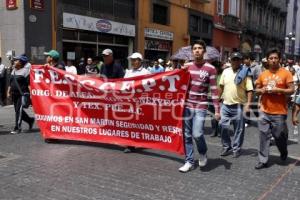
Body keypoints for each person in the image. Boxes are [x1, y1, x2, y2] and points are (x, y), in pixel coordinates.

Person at [178, 40, 220, 172]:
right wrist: (181, 72)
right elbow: (179, 85)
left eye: (200, 48)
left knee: (197, 133)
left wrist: (217, 110)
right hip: (187, 105)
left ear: (204, 51)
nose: (197, 50)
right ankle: (189, 161)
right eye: (195, 48)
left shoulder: (211, 69)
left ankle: (203, 152)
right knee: (187, 134)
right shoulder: (187, 66)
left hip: (201, 106)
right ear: (192, 51)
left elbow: (213, 90)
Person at [255, 48, 294, 169]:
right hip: (264, 111)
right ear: (267, 60)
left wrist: (279, 90)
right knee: (263, 136)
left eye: (275, 58)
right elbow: (256, 89)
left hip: (279, 112)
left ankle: (283, 151)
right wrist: (261, 91)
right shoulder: (263, 74)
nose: (273, 60)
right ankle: (263, 160)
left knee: (278, 136)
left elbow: (292, 89)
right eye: (271, 58)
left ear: (279, 59)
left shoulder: (286, 73)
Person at [218, 52, 253, 158]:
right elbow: (221, 86)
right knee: (222, 126)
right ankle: (226, 146)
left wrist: (248, 105)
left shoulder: (245, 72)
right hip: (225, 105)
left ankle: (236, 148)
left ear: (241, 61)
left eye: (238, 59)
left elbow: (250, 90)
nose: (235, 61)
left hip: (239, 105)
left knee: (239, 129)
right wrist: (217, 99)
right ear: (230, 60)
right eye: (234, 59)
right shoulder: (225, 71)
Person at [123, 52, 151, 153]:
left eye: (135, 60)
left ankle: (141, 140)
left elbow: (149, 88)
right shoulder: (128, 72)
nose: (133, 62)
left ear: (140, 61)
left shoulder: (146, 72)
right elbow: (123, 85)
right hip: (130, 102)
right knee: (130, 123)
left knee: (140, 123)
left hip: (141, 102)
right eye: (132, 60)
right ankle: (130, 144)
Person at [7, 55, 34, 134]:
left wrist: (31, 95)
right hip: (14, 94)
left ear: (21, 62)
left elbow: (29, 84)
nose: (14, 62)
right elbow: (10, 82)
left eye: (16, 60)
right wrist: (8, 92)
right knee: (18, 111)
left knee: (18, 111)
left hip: (22, 94)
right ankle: (30, 120)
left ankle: (17, 128)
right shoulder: (14, 70)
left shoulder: (26, 72)